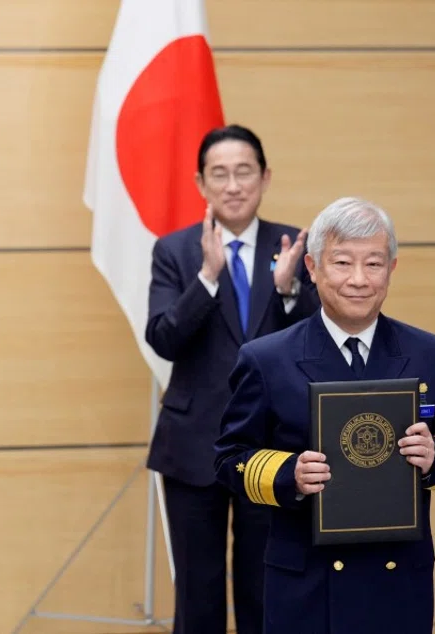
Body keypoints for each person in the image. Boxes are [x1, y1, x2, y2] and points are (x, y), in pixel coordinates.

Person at [214, 196, 435, 633]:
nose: (359, 280)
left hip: (397, 584)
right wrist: (289, 474)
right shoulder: (266, 358)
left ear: (391, 269)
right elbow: (229, 459)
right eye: (342, 263)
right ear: (313, 268)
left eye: (374, 264)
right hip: (305, 585)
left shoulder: (430, 354)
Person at [145, 125, 321, 634]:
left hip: (274, 446)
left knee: (265, 586)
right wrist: (206, 278)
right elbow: (162, 338)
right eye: (219, 174)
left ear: (264, 177)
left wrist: (290, 292)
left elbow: (321, 343)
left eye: (244, 172)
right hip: (192, 444)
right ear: (200, 184)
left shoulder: (296, 246)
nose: (233, 185)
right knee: (197, 594)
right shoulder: (175, 250)